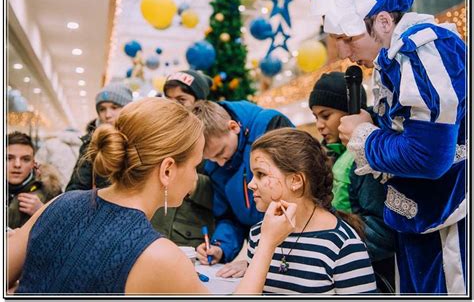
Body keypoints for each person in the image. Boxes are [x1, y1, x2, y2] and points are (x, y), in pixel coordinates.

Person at [8, 97, 297, 294]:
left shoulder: (59, 204)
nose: (198, 178)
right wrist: (268, 242)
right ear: (168, 170)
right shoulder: (157, 256)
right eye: (196, 166)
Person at [311, 0, 466, 294]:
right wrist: (372, 126)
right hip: (419, 222)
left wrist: (364, 134)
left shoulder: (423, 48)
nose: (344, 53)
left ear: (383, 22)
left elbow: (428, 156)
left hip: (449, 222)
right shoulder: (393, 61)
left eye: (348, 38)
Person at [225, 128, 376, 294]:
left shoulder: (343, 245)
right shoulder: (258, 233)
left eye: (260, 174)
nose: (251, 184)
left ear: (296, 180)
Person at [308, 71, 396, 292]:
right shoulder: (326, 155)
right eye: (315, 117)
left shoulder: (365, 160)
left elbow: (384, 233)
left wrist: (334, 244)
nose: (319, 125)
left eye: (325, 115)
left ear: (350, 113)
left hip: (369, 274)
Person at [192, 100, 294, 265]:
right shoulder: (215, 166)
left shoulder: (270, 125)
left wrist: (259, 261)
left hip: (293, 242)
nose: (220, 163)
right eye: (211, 158)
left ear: (233, 127)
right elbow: (228, 215)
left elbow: (294, 192)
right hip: (260, 251)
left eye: (221, 152)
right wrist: (220, 247)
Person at [152, 69, 215, 247]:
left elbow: (221, 191)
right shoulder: (156, 134)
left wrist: (191, 182)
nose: (173, 106)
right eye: (169, 99)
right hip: (151, 231)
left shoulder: (210, 139)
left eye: (181, 100)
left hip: (189, 238)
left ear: (198, 103)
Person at [65, 82, 133, 191]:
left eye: (114, 107)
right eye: (102, 109)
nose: (107, 115)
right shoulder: (93, 142)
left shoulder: (138, 139)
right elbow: (76, 187)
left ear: (127, 109)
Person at [7, 132, 62, 229]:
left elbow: (64, 232)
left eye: (25, 159)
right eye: (8, 158)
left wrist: (43, 213)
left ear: (33, 163)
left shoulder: (50, 192)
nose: (17, 165)